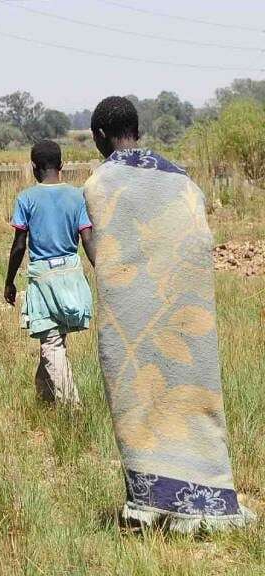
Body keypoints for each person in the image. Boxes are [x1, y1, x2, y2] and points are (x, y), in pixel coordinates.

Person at [84, 96, 255, 533]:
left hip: (129, 317)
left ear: (100, 136)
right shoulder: (181, 180)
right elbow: (197, 244)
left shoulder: (100, 183)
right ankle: (208, 497)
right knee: (192, 395)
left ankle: (151, 501)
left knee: (137, 399)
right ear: (136, 130)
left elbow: (107, 253)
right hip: (185, 311)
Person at [4, 140, 95, 408]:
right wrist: (102, 271)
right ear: (61, 165)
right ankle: (45, 400)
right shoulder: (77, 196)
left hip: (44, 278)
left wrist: (9, 282)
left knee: (51, 343)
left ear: (34, 166)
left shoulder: (27, 199)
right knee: (55, 338)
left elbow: (19, 245)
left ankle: (72, 409)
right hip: (72, 275)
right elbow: (88, 239)